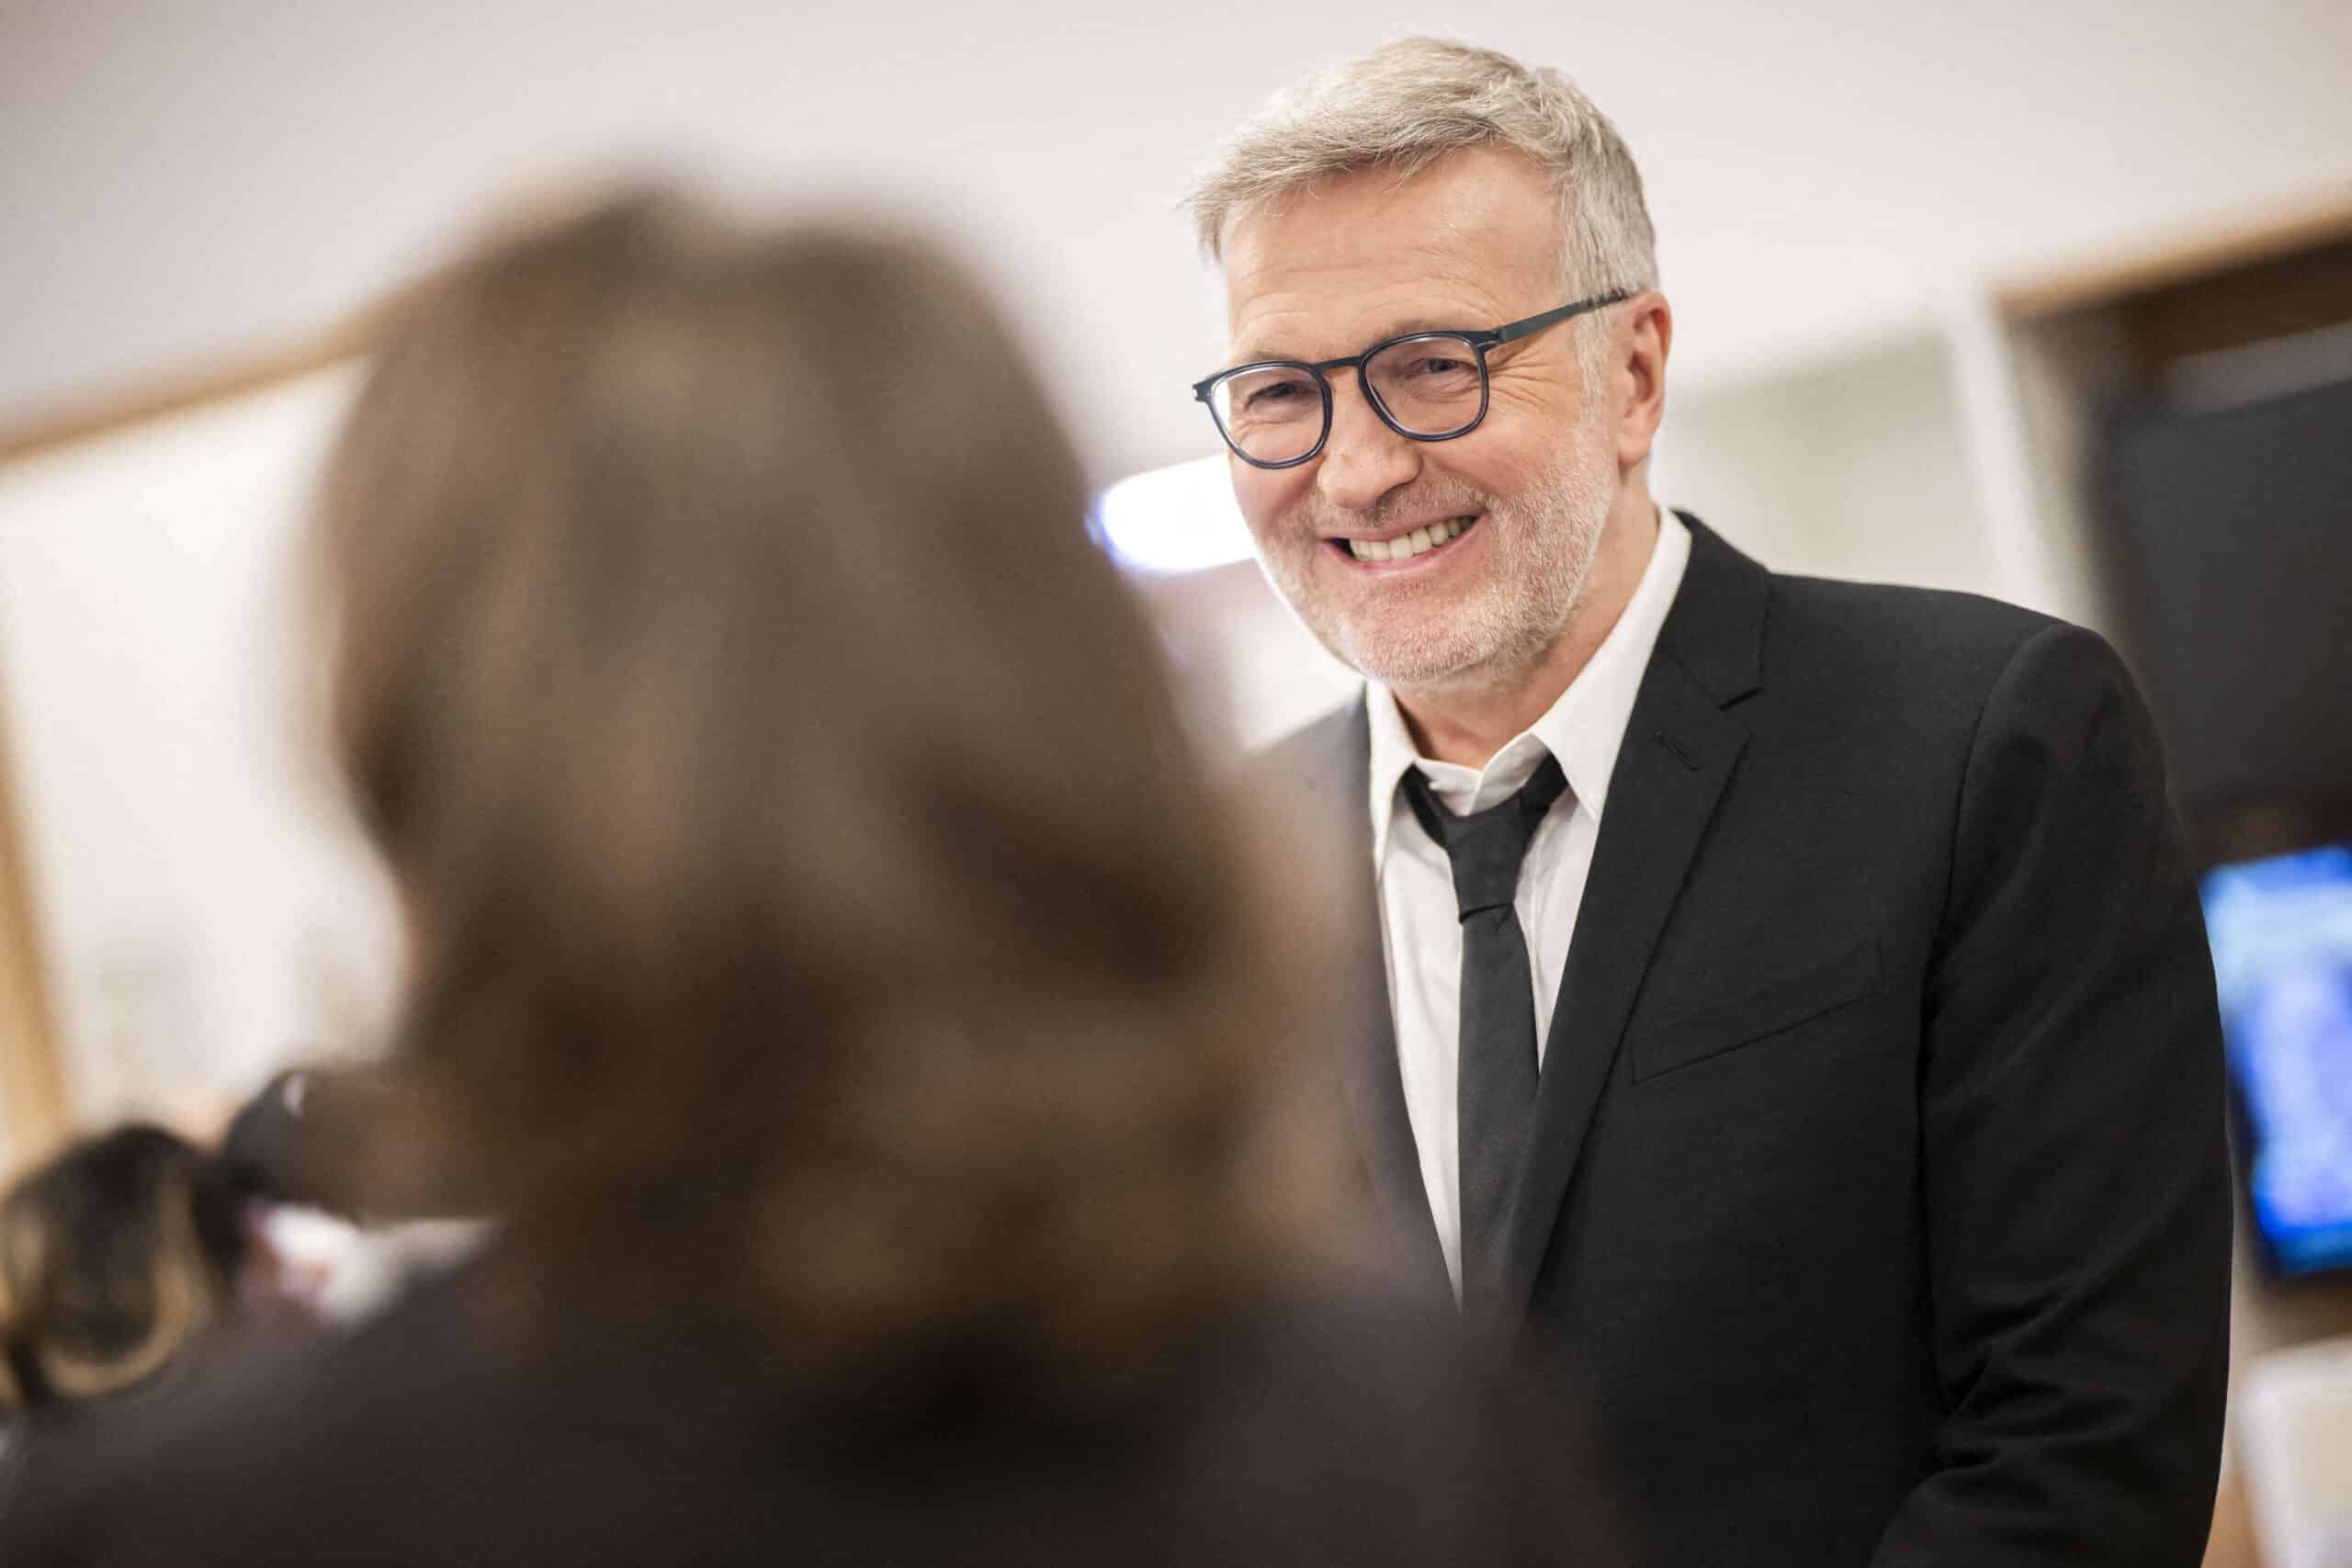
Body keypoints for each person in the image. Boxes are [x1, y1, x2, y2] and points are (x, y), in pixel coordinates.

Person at [0, 190, 1630, 1565]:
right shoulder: (1393, 1442)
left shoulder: (182, 1525)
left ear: (401, 737)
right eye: (1287, 396)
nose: (1357, 468)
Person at [1186, 37, 2233, 1568]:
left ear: (1635, 372)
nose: (1351, 473)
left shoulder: (1981, 742)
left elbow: (2082, 1457)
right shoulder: (1205, 886)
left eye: (1432, 367)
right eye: (1282, 392)